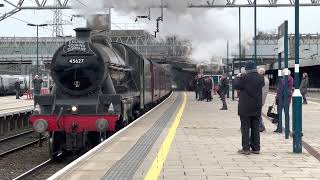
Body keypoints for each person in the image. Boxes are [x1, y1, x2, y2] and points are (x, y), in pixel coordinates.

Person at [233, 60, 265, 155]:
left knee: (245, 128)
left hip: (245, 107)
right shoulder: (261, 78)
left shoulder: (244, 77)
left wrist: (237, 77)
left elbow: (236, 86)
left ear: (246, 68)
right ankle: (256, 148)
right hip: (256, 107)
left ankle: (246, 148)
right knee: (255, 127)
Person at [258, 68, 269, 132]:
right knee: (258, 112)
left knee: (258, 113)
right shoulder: (266, 79)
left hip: (259, 98)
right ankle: (261, 126)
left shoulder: (261, 80)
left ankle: (261, 126)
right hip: (263, 99)